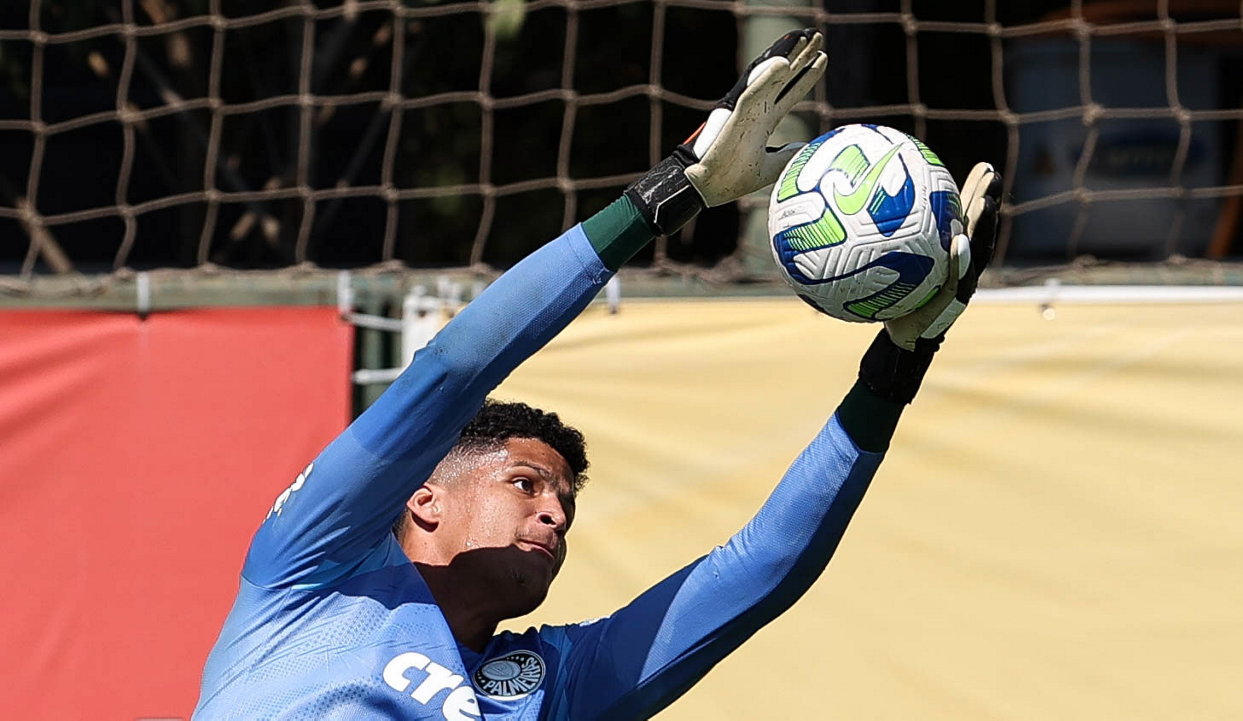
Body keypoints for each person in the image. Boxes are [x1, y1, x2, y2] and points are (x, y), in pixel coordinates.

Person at [195, 28, 1002, 719]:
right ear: (424, 496)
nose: (555, 515)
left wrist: (898, 365)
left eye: (566, 504)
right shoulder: (315, 563)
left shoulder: (548, 688)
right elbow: (453, 368)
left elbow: (758, 571)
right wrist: (666, 195)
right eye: (525, 484)